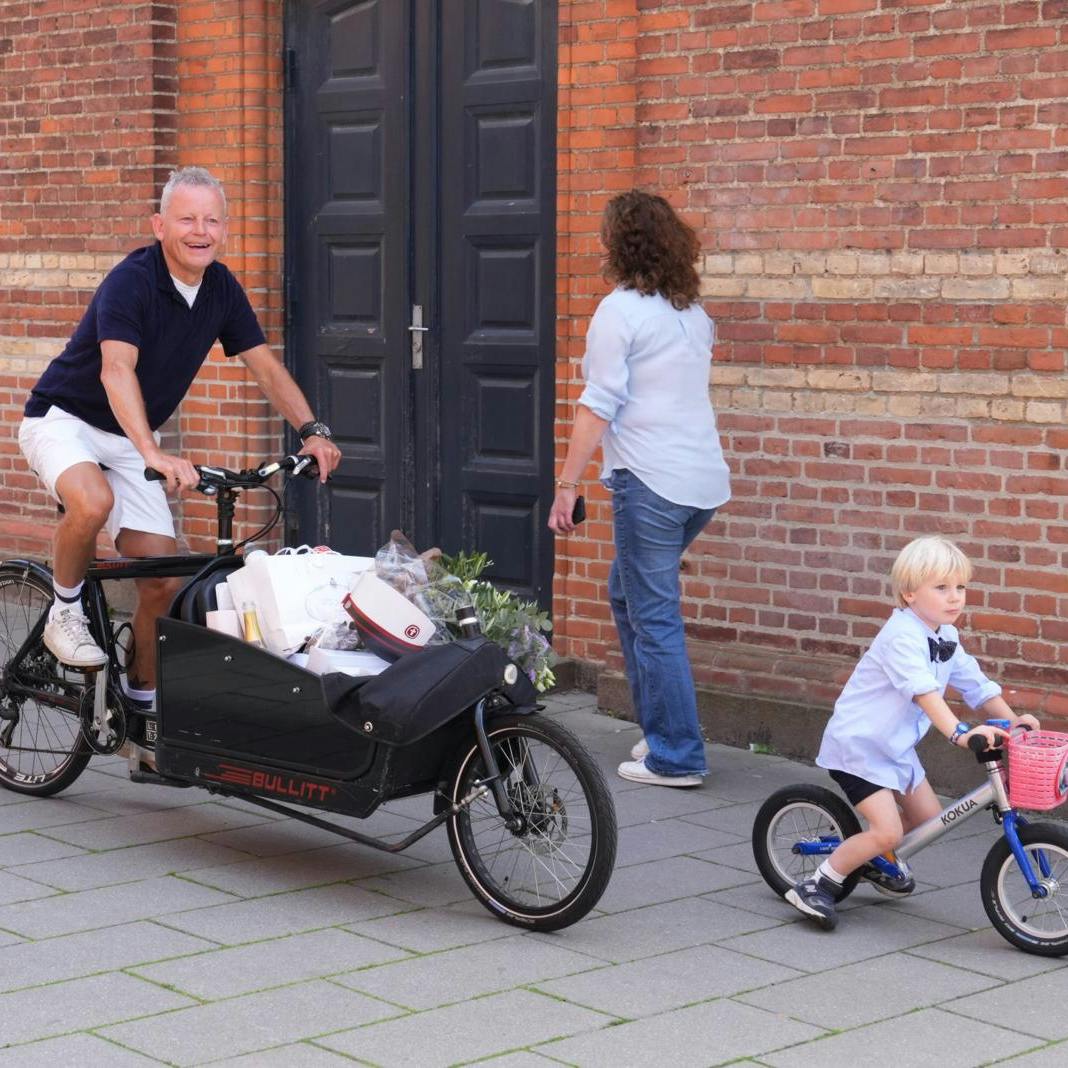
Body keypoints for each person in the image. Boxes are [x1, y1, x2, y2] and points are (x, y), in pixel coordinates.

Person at [17, 166, 342, 710]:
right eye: (187, 219)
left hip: (128, 435)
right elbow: (116, 370)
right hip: (64, 418)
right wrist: (151, 451)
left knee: (163, 579)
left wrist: (312, 431)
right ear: (160, 225)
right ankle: (64, 612)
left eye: (212, 220)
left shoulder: (221, 288)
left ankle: (138, 702)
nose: (200, 231)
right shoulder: (132, 281)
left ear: (225, 229)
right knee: (92, 501)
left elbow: (264, 368)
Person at [547, 190, 731, 788]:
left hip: (651, 483)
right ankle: (662, 728)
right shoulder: (691, 313)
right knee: (628, 596)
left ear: (619, 245)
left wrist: (567, 484)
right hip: (700, 483)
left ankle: (677, 755)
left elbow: (599, 403)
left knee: (654, 618)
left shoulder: (619, 311)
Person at [786, 535, 1040, 930]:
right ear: (909, 593)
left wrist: (1013, 720)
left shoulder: (945, 635)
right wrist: (960, 734)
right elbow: (925, 694)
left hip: (896, 747)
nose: (954, 597)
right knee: (887, 830)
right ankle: (817, 883)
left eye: (960, 587)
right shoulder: (901, 636)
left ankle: (872, 856)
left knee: (928, 819)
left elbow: (976, 685)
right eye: (941, 587)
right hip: (860, 746)